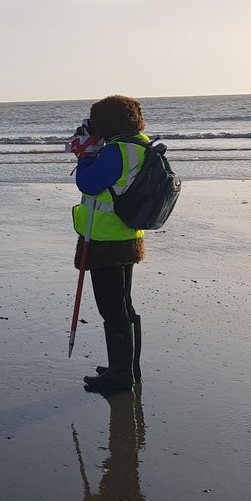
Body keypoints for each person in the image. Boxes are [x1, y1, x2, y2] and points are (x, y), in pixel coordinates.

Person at [71, 94, 149, 395]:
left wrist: (85, 153)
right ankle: (129, 368)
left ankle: (120, 376)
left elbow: (88, 184)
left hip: (105, 238)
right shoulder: (140, 143)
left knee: (112, 308)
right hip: (128, 235)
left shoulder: (117, 150)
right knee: (124, 304)